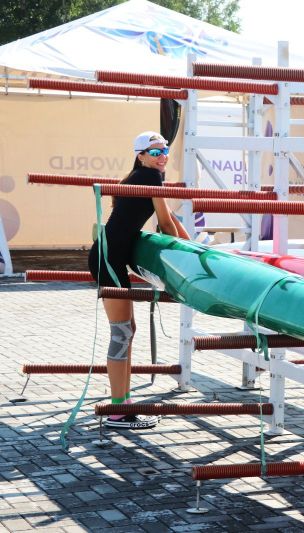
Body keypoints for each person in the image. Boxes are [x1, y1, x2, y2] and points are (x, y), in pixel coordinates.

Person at [88, 131, 189, 429]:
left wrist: (195, 248)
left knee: (127, 330)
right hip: (108, 260)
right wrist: (186, 258)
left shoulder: (137, 177)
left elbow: (169, 217)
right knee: (121, 333)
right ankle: (118, 411)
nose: (162, 156)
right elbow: (166, 224)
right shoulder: (149, 177)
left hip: (108, 257)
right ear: (141, 155)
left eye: (165, 151)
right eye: (155, 152)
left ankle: (124, 402)